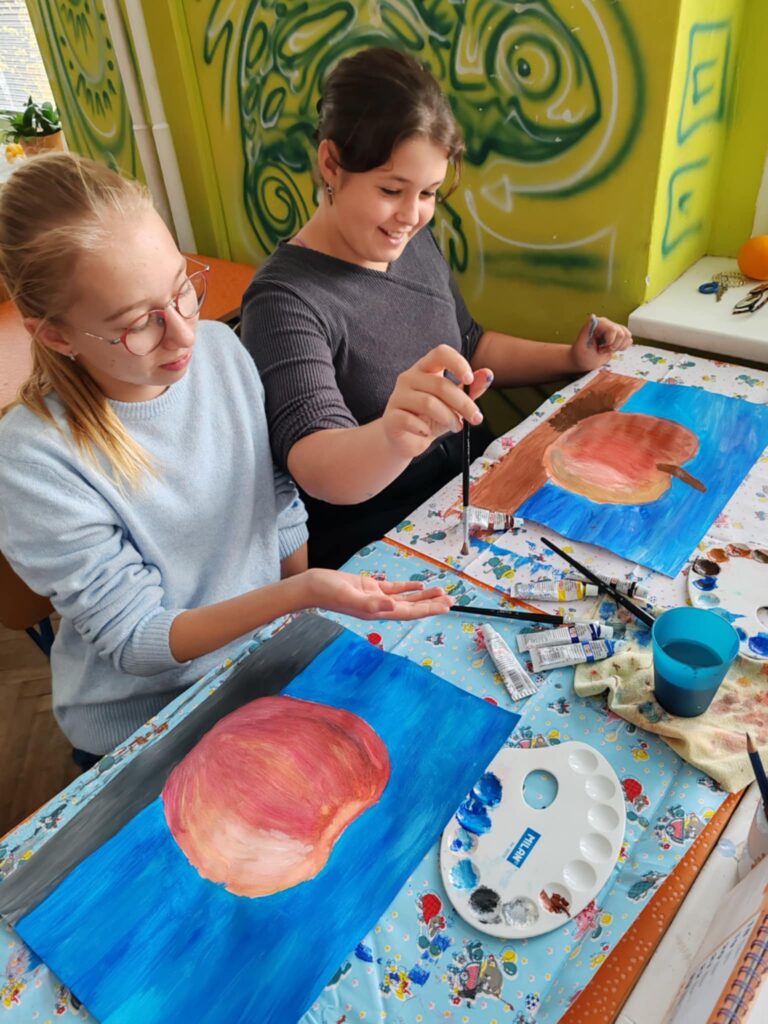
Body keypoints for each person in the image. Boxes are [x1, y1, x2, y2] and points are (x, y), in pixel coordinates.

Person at [0, 153, 452, 767]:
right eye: (139, 324)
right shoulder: (35, 459)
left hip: (260, 660)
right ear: (55, 334)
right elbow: (137, 639)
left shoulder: (219, 350)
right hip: (148, 723)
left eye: (182, 288)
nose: (184, 332)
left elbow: (276, 503)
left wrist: (298, 619)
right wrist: (299, 596)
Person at [241, 46, 633, 568]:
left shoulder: (405, 239)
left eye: (428, 192)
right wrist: (394, 437)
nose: (411, 215)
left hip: (473, 498)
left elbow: (469, 345)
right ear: (330, 164)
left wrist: (570, 359)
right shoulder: (282, 300)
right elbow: (316, 465)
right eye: (391, 189)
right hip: (382, 547)